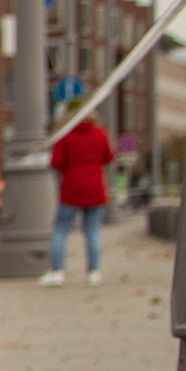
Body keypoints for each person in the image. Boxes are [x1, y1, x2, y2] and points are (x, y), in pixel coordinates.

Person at [44, 115, 113, 287]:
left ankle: (58, 272)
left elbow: (56, 161)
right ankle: (93, 272)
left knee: (60, 229)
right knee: (93, 231)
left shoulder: (65, 134)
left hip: (71, 188)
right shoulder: (100, 133)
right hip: (95, 188)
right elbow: (109, 157)